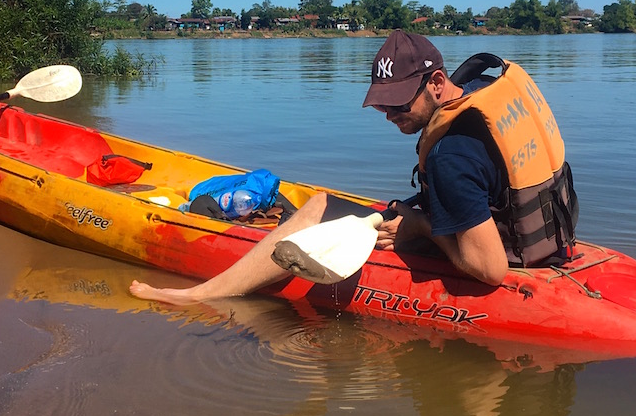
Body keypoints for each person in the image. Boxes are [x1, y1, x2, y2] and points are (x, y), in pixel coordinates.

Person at [129, 30, 577, 305]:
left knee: (320, 206)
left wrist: (421, 226)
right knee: (379, 209)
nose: (388, 115)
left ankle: (202, 294)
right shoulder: (481, 91)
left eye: (398, 103)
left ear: (437, 83)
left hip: (502, 251)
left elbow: (490, 270)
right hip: (544, 238)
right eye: (382, 104)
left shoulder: (450, 155)